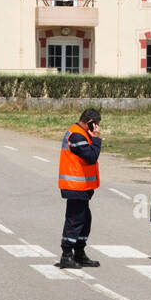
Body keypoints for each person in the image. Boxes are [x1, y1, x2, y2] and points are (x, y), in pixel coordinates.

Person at [58, 107, 103, 269]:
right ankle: (66, 255)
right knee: (75, 219)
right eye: (96, 124)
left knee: (85, 220)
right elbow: (91, 157)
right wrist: (96, 139)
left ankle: (79, 252)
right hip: (74, 184)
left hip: (82, 185)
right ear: (89, 122)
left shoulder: (81, 133)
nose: (97, 128)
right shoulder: (77, 135)